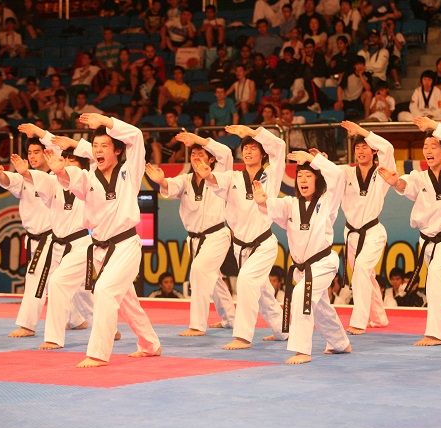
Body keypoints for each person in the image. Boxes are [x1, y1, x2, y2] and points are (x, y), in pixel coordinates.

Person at [45, 113, 161, 367]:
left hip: (126, 245)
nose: (98, 150)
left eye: (104, 146)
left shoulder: (129, 171)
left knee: (105, 290)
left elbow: (136, 136)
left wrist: (106, 121)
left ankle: (98, 353)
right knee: (127, 303)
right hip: (99, 249)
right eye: (95, 146)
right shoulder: (87, 177)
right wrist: (59, 171)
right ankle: (150, 344)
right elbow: (70, 178)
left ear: (117, 150)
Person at [378, 117, 441, 347]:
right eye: (425, 147)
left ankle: (434, 333)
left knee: (435, 274)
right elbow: (405, 185)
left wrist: (434, 126)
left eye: (434, 146)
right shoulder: (419, 177)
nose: (428, 151)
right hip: (428, 241)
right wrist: (395, 182)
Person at [193, 125, 288, 350]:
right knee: (263, 292)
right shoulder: (233, 177)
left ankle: (243, 336)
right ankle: (282, 330)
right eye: (245, 148)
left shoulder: (272, 174)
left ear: (263, 153)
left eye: (253, 148)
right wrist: (207, 176)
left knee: (245, 280)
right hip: (240, 247)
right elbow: (216, 180)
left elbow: (280, 146)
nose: (248, 151)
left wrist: (253, 133)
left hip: (263, 243)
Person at [252, 148, 351, 364]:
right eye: (299, 176)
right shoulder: (290, 204)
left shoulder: (327, 201)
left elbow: (337, 176)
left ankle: (302, 349)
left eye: (308, 176)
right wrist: (261, 201)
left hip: (323, 263)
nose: (303, 180)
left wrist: (312, 159)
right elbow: (272, 206)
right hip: (302, 268)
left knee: (300, 295)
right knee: (321, 306)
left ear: (318, 179)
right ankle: (340, 343)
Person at [13, 123, 97, 350]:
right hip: (58, 243)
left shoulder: (90, 180)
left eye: (72, 162)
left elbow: (92, 156)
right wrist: (24, 172)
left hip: (81, 243)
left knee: (64, 284)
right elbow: (38, 178)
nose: (66, 164)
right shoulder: (52, 181)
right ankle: (95, 324)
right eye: (64, 161)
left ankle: (55, 336)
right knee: (79, 289)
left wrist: (42, 134)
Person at [145, 132, 236, 336]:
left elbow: (226, 153)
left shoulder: (220, 175)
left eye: (201, 154)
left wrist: (198, 140)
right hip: (194, 239)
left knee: (199, 270)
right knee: (213, 278)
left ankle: (197, 325)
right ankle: (230, 318)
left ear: (211, 159)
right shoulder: (185, 180)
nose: (196, 157)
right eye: (193, 154)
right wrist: (162, 181)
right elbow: (170, 186)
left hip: (217, 235)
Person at [0, 140, 52, 338]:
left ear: (46, 153)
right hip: (35, 239)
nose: (32, 156)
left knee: (38, 279)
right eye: (29, 152)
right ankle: (77, 319)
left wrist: (25, 173)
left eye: (37, 152)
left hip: (53, 238)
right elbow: (10, 179)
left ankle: (28, 325)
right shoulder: (23, 179)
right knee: (66, 283)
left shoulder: (56, 178)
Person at [339, 120, 393, 335]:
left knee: (361, 269)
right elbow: (329, 171)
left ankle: (358, 321)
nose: (360, 151)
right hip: (351, 233)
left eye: (365, 147)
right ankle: (379, 318)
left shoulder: (382, 173)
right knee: (365, 275)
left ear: (374, 151)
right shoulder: (347, 173)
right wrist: (317, 160)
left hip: (373, 232)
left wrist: (360, 131)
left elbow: (388, 148)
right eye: (358, 148)